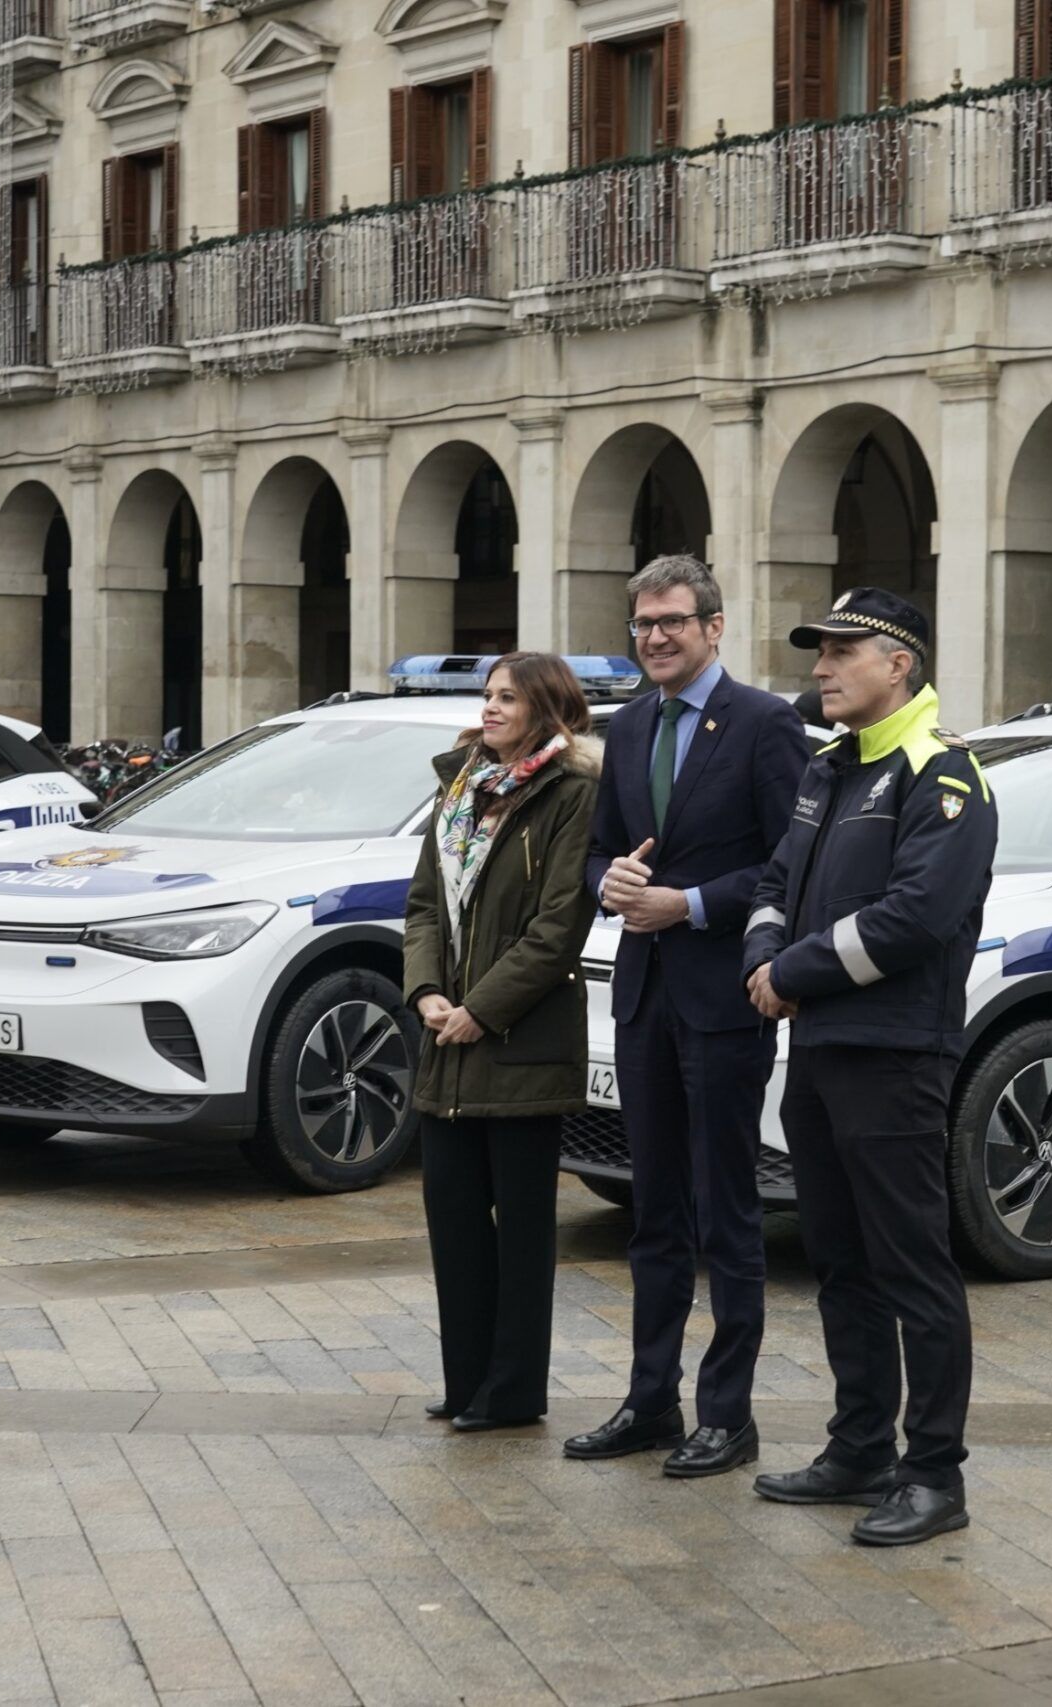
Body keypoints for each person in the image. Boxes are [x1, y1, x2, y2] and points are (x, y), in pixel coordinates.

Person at [742, 588, 997, 1547]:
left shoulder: (946, 776)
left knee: (910, 1267)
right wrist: (762, 962)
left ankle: (934, 1474)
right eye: (820, 651)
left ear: (901, 664)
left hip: (895, 1053)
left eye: (842, 650)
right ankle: (860, 1448)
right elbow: (775, 884)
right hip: (817, 1050)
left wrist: (793, 971)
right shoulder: (827, 770)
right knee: (840, 1260)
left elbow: (915, 916)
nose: (820, 667)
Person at [566, 556, 807, 1478]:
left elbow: (792, 865)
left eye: (673, 621)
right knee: (653, 1210)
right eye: (643, 625)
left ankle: (728, 1414)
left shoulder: (764, 724)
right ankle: (649, 1399)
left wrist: (694, 903)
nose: (656, 637)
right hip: (642, 996)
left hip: (723, 998)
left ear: (714, 627)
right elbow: (597, 856)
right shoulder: (625, 728)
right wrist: (612, 881)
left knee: (725, 1209)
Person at [402, 653, 604, 1432]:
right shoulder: (458, 788)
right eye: (486, 695)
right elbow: (424, 905)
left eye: (507, 697)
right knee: (451, 1213)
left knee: (520, 1231)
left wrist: (479, 1010)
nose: (489, 708)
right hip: (446, 1039)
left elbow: (558, 928)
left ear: (546, 708)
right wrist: (426, 991)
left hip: (520, 1040)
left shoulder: (572, 793)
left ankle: (514, 1391)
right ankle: (466, 1381)